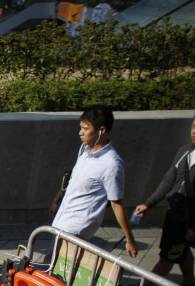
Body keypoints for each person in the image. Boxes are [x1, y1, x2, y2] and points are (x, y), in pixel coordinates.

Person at [122, 104, 195, 286]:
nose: (194, 131)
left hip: (190, 220)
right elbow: (169, 180)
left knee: (168, 256)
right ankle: (189, 285)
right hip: (175, 213)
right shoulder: (185, 151)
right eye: (193, 126)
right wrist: (149, 203)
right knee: (180, 251)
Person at [49, 104, 138, 259]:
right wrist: (57, 198)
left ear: (101, 130)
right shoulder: (85, 149)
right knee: (52, 264)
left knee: (55, 265)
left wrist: (129, 239)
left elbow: (117, 204)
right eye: (80, 127)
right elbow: (74, 178)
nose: (80, 133)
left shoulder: (111, 164)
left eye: (85, 129)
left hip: (77, 226)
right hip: (63, 217)